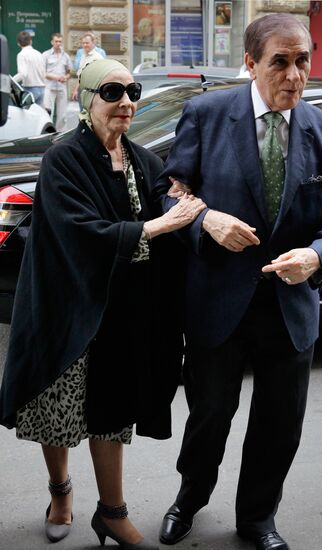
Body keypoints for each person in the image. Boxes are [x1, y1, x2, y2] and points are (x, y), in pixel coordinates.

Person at [155, 13, 322, 550]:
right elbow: (170, 194)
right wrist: (206, 221)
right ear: (250, 63)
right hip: (217, 303)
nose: (295, 75)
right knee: (209, 417)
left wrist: (316, 256)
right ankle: (189, 499)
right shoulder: (205, 115)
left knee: (278, 424)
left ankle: (257, 519)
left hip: (290, 308)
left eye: (303, 61)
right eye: (280, 62)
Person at [0, 58, 205, 548]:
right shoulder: (63, 159)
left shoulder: (143, 161)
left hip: (120, 313)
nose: (126, 102)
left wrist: (184, 203)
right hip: (67, 306)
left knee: (112, 410)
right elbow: (80, 234)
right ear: (86, 99)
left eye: (132, 91)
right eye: (112, 92)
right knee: (59, 409)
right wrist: (159, 226)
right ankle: (61, 492)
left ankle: (112, 512)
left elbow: (171, 202)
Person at [42, 33, 72, 132]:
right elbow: (42, 72)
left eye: (60, 41)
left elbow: (69, 72)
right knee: (48, 112)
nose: (58, 43)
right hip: (49, 87)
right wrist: (55, 77)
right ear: (52, 42)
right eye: (56, 41)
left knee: (62, 115)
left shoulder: (66, 56)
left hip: (61, 87)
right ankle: (47, 134)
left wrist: (66, 77)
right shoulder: (46, 55)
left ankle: (60, 134)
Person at [13, 31, 46, 105]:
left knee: (25, 114)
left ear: (18, 43)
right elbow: (44, 72)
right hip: (42, 89)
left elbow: (22, 74)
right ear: (31, 41)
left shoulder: (21, 55)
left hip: (30, 89)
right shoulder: (38, 53)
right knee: (38, 115)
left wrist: (11, 81)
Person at [71, 33, 106, 102]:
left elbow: (103, 75)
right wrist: (75, 90)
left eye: (87, 43)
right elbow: (81, 75)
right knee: (82, 112)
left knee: (93, 112)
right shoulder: (83, 55)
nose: (84, 45)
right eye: (83, 43)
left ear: (93, 43)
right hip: (83, 90)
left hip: (94, 91)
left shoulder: (98, 57)